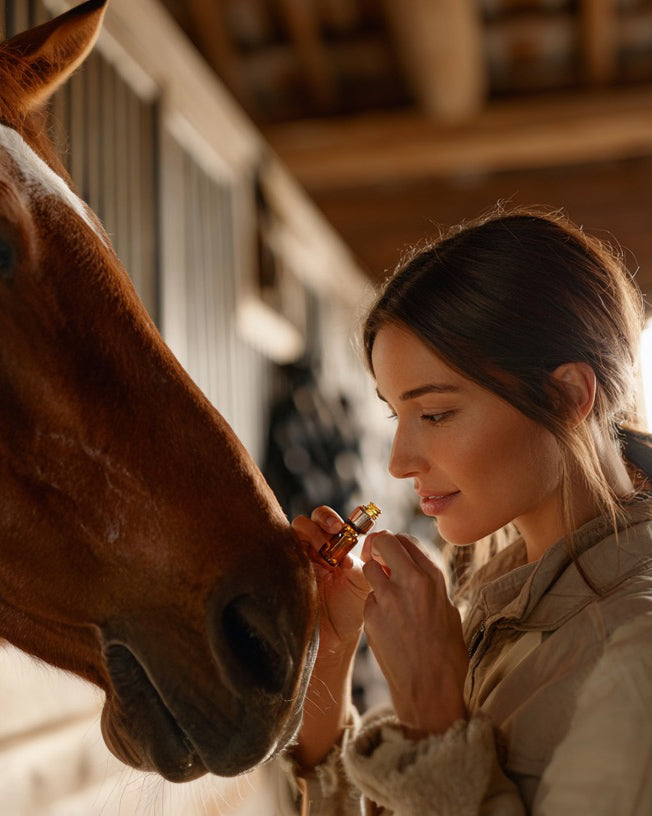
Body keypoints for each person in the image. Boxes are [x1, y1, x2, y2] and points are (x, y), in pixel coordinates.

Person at [272, 208, 652, 815]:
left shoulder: (635, 654)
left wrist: (435, 724)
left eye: (436, 414)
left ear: (568, 395)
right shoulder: (502, 607)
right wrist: (331, 652)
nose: (399, 463)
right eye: (397, 415)